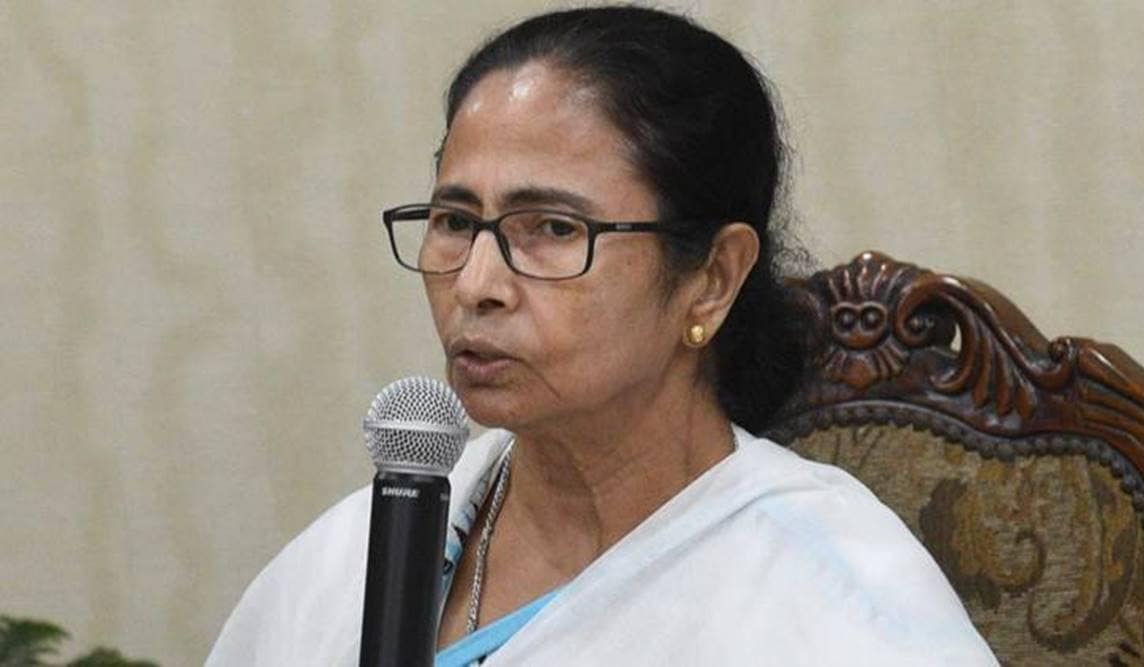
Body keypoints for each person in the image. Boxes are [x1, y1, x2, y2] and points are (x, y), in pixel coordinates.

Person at [208, 6, 997, 665]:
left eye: (553, 228)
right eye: (454, 221)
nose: (476, 283)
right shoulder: (359, 556)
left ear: (712, 277)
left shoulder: (831, 605)